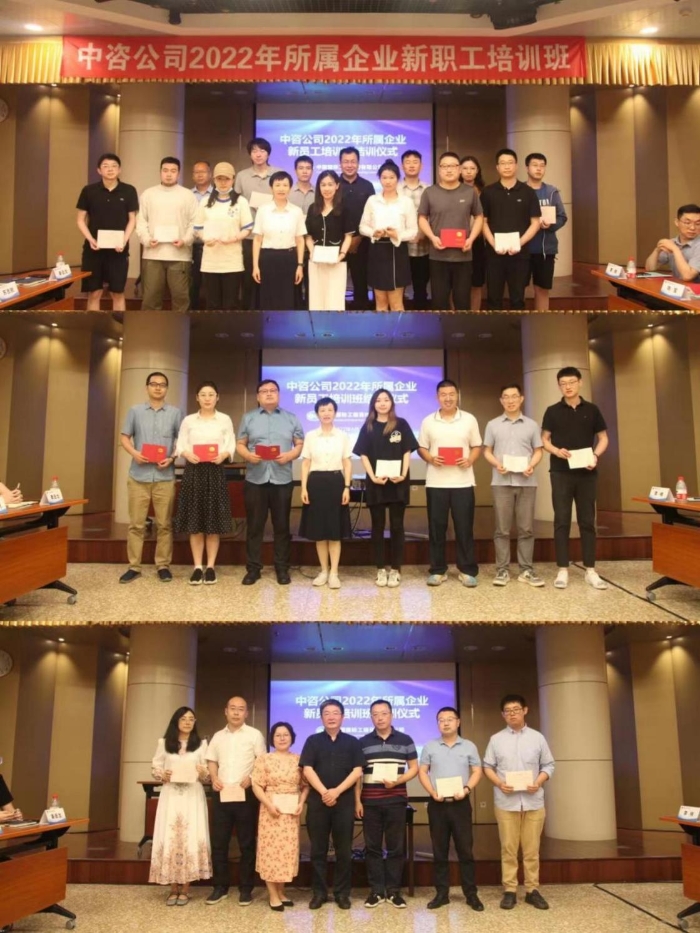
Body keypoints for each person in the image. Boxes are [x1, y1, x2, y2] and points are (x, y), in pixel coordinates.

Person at [483, 695, 555, 911]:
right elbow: (487, 766)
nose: (512, 713)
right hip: (506, 802)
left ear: (525, 710)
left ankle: (532, 890)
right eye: (508, 710)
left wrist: (538, 781)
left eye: (516, 709)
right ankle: (510, 890)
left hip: (533, 802)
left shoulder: (537, 738)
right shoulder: (496, 739)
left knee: (532, 850)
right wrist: (499, 783)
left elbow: (549, 765)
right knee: (508, 848)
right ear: (503, 715)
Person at [541, 366, 609, 590]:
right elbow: (544, 439)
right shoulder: (552, 411)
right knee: (561, 520)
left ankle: (590, 569)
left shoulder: (592, 409)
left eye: (571, 382)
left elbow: (603, 438)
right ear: (559, 386)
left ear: (580, 382)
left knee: (587, 520)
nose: (567, 387)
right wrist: (556, 450)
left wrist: (595, 456)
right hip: (560, 472)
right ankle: (562, 569)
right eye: (563, 383)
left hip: (587, 473)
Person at [237, 379, 304, 586]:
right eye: (264, 391)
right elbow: (240, 444)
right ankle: (253, 569)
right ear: (258, 396)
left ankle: (282, 568)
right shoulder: (248, 418)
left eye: (273, 390)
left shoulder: (291, 418)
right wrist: (248, 456)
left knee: (281, 526)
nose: (268, 394)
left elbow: (299, 443)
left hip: (281, 479)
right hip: (255, 479)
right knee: (255, 527)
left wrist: (290, 455)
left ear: (279, 394)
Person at [300, 699, 365, 910]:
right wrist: (324, 792)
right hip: (318, 803)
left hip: (343, 803)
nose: (331, 716)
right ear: (321, 718)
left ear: (342, 717)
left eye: (335, 713)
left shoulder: (353, 742)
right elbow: (307, 769)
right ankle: (319, 893)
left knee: (344, 851)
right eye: (326, 713)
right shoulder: (312, 741)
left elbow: (357, 771)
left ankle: (342, 893)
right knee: (317, 851)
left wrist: (336, 791)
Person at [119, 371, 183, 584]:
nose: (158, 387)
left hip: (164, 477)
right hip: (138, 477)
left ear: (166, 389)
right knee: (136, 525)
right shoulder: (135, 411)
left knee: (164, 524)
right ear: (147, 387)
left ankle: (163, 565)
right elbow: (125, 437)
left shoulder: (175, 413)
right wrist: (135, 453)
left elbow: (181, 441)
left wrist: (172, 458)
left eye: (162, 384)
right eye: (154, 384)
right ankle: (134, 566)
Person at [418, 379, 482, 588]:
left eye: (451, 394)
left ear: (457, 395)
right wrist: (431, 458)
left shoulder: (469, 419)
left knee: (464, 528)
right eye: (443, 395)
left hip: (463, 483)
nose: (448, 398)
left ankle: (467, 570)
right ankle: (438, 570)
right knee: (437, 528)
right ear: (437, 397)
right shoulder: (428, 421)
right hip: (436, 483)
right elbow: (422, 447)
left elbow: (477, 446)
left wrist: (470, 460)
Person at [355, 699, 418, 909]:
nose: (380, 718)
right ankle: (376, 891)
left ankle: (393, 892)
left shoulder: (405, 740)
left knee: (396, 848)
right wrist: (357, 801)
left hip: (396, 802)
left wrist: (398, 781)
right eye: (375, 714)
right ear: (371, 717)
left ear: (391, 715)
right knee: (372, 848)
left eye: (383, 713)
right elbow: (357, 775)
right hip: (370, 802)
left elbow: (414, 768)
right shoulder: (362, 742)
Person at [419, 706, 484, 911]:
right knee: (439, 851)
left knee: (465, 850)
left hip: (460, 804)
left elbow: (477, 771)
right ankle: (442, 894)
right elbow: (422, 772)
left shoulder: (469, 746)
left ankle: (471, 894)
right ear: (437, 724)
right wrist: (432, 792)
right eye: (441, 719)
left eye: (449, 719)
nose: (445, 723)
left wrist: (466, 789)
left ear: (458, 722)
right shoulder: (430, 746)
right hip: (437, 804)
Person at [353, 388, 418, 587]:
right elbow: (363, 454)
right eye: (378, 400)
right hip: (376, 483)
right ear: (373, 404)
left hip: (398, 482)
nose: (382, 403)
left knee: (397, 527)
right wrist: (372, 477)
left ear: (391, 403)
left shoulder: (401, 424)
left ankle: (396, 569)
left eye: (386, 400)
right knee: (378, 527)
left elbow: (407, 451)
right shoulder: (368, 426)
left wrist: (403, 474)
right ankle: (380, 569)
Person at [206, 696, 266, 907]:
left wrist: (251, 778)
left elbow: (261, 762)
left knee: (247, 843)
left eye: (241, 709)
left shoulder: (254, 735)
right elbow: (211, 761)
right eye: (233, 708)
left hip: (245, 794)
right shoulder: (217, 736)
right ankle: (220, 887)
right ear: (226, 711)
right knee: (219, 842)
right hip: (222, 793)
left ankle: (246, 888)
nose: (236, 712)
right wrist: (214, 778)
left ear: (246, 713)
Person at [483, 383, 545, 587]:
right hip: (501, 482)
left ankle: (526, 570)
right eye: (506, 397)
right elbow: (487, 451)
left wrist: (532, 465)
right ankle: (502, 570)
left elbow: (538, 450)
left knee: (526, 528)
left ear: (521, 399)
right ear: (501, 400)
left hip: (527, 482)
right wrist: (497, 464)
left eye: (514, 396)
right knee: (502, 529)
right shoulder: (492, 425)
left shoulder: (532, 425)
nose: (510, 400)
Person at [174, 381, 235, 585]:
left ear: (217, 397)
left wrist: (224, 454)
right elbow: (180, 443)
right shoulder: (189, 420)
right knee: (196, 523)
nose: (207, 398)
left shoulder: (224, 419)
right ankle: (197, 567)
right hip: (194, 471)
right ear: (197, 398)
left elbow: (230, 443)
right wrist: (186, 453)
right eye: (203, 394)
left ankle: (210, 567)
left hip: (215, 471)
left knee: (213, 523)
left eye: (211, 394)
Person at [149, 707, 211, 905]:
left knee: (190, 836)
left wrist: (203, 772)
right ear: (176, 721)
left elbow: (207, 774)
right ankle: (172, 888)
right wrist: (162, 774)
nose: (187, 722)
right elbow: (156, 767)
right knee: (171, 837)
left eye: (191, 719)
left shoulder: (201, 744)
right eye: (183, 719)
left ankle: (185, 889)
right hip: (171, 795)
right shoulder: (164, 743)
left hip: (192, 795)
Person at [251, 722, 309, 911]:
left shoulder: (299, 759)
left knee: (286, 852)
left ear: (292, 737)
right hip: (271, 811)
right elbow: (256, 785)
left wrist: (301, 803)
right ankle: (273, 895)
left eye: (286, 735)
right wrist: (268, 805)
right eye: (278, 735)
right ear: (272, 738)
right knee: (270, 851)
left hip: (290, 813)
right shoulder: (264, 759)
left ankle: (281, 891)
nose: (282, 738)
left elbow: (306, 785)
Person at [418, 151, 483, 310]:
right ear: (439, 169)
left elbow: (479, 217)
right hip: (438, 256)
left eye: (453, 166)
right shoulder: (430, 192)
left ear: (459, 169)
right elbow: (422, 218)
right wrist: (432, 237)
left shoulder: (469, 192)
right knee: (439, 303)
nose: (448, 170)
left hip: (463, 256)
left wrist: (471, 239)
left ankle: (461, 327)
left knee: (462, 302)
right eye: (444, 166)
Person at [299, 397, 352, 589]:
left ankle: (334, 573)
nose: (326, 413)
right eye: (322, 410)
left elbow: (347, 462)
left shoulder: (343, 436)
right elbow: (306, 463)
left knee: (335, 532)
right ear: (317, 414)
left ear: (335, 413)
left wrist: (347, 487)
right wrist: (304, 488)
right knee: (320, 532)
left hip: (336, 482)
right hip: (316, 483)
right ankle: (323, 571)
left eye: (330, 410)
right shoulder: (311, 436)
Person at [76, 152, 138, 312]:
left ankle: (119, 326)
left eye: (114, 166)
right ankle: (94, 325)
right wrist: (90, 239)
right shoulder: (89, 191)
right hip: (93, 250)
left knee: (117, 293)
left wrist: (124, 241)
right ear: (99, 170)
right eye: (105, 166)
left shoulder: (129, 190)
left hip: (119, 250)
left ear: (120, 169)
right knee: (94, 293)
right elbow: (80, 220)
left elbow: (132, 219)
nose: (110, 169)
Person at [481, 149, 541, 311]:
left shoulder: (528, 192)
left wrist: (519, 243)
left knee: (518, 299)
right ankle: (494, 327)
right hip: (494, 254)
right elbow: (483, 222)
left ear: (516, 166)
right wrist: (493, 243)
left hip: (520, 254)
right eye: (503, 163)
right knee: (493, 298)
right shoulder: (488, 192)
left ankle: (517, 326)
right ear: (497, 167)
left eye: (510, 163)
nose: (506, 166)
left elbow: (535, 222)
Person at [136, 156, 198, 311]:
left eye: (173, 171)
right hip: (152, 255)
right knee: (150, 300)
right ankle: (151, 327)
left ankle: (180, 327)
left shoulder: (188, 195)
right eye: (165, 170)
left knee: (181, 299)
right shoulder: (148, 194)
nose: (169, 174)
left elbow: (195, 223)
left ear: (179, 173)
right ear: (160, 172)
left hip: (179, 255)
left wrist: (185, 240)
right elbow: (141, 222)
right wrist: (147, 240)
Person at [359, 160, 418, 311]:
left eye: (391, 177)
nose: (388, 181)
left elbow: (413, 231)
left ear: (397, 179)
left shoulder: (406, 202)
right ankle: (381, 327)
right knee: (380, 301)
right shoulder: (372, 200)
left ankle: (398, 327)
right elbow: (362, 226)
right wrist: (373, 232)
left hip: (398, 251)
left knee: (396, 302)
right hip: (377, 250)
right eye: (384, 177)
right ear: (380, 179)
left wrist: (397, 234)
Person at [194, 161, 253, 310]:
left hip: (232, 261)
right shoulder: (205, 202)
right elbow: (198, 227)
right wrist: (205, 238)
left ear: (233, 179)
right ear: (214, 180)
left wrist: (234, 238)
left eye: (227, 179)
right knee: (212, 304)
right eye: (219, 179)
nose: (223, 183)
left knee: (230, 303)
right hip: (210, 261)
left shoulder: (241, 201)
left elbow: (247, 228)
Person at [234, 138, 282, 310]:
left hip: (273, 236)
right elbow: (236, 203)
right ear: (250, 154)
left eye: (262, 150)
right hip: (250, 236)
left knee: (271, 278)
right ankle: (249, 313)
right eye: (254, 151)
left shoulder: (279, 173)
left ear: (268, 153)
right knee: (249, 278)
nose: (258, 154)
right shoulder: (242, 176)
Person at [252, 171, 306, 310]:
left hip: (289, 258)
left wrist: (300, 265)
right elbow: (257, 240)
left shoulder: (296, 211)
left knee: (289, 298)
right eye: (277, 185)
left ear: (290, 188)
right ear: (271, 188)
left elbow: (300, 240)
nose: (281, 188)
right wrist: (255, 266)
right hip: (268, 259)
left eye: (285, 185)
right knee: (268, 298)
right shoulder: (263, 210)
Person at [305, 170, 354, 310]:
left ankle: (335, 325)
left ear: (337, 186)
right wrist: (312, 252)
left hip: (337, 262)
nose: (326, 188)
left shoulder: (344, 209)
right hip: (316, 262)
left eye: (330, 184)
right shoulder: (313, 208)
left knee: (335, 300)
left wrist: (342, 255)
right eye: (323, 185)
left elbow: (348, 236)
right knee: (316, 300)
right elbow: (308, 236)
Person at [525, 153, 568, 311]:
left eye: (542, 166)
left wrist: (550, 225)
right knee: (518, 289)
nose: (539, 169)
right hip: (522, 248)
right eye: (535, 165)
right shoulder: (520, 190)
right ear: (527, 168)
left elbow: (562, 217)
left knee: (542, 289)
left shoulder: (551, 192)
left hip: (545, 249)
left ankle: (541, 320)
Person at [338, 146, 375, 308]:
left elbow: (373, 215)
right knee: (336, 285)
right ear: (340, 163)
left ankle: (362, 317)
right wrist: (345, 240)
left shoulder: (367, 186)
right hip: (337, 244)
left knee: (361, 284)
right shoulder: (333, 185)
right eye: (346, 161)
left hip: (362, 243)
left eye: (353, 161)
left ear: (358, 163)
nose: (349, 165)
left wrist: (358, 238)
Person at [400, 149, 430, 310]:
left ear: (421, 165)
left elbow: (433, 215)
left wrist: (422, 233)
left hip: (423, 248)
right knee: (398, 290)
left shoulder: (429, 189)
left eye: (415, 162)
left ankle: (421, 320)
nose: (411, 165)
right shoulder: (395, 189)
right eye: (407, 162)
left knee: (421, 289)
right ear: (402, 166)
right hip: (400, 249)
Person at [645, 203, 700, 282]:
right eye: (687, 223)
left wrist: (675, 249)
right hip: (678, 287)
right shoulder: (672, 242)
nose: (692, 227)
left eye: (698, 224)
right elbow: (650, 269)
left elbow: (688, 276)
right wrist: (657, 250)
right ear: (677, 222)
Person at [460, 155, 487, 311]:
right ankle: (455, 317)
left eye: (472, 168)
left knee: (476, 282)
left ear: (478, 171)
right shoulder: (453, 189)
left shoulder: (485, 192)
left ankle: (474, 315)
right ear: (459, 170)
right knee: (457, 283)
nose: (469, 172)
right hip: (457, 240)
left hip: (478, 240)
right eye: (465, 168)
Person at [289, 156, 315, 308]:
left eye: (308, 168)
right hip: (293, 245)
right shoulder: (288, 193)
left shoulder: (319, 192)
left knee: (313, 286)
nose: (305, 171)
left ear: (312, 170)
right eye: (301, 168)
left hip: (313, 246)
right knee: (294, 285)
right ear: (295, 170)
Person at [190, 160, 213, 309]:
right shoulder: (187, 195)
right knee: (193, 283)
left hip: (212, 245)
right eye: (196, 172)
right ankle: (192, 314)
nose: (199, 175)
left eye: (203, 172)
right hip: (192, 245)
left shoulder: (218, 194)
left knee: (211, 284)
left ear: (210, 174)